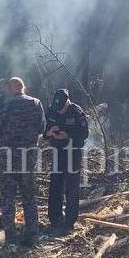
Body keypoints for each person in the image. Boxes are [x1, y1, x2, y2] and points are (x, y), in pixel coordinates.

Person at [0, 77, 45, 247]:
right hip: (28, 156)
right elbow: (42, 128)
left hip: (8, 157)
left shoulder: (5, 106)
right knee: (29, 195)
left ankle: (11, 237)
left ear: (11, 88)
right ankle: (32, 235)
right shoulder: (36, 103)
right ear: (24, 87)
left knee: (8, 196)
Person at [44, 88, 89, 233]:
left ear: (67, 101)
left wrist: (67, 135)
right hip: (57, 152)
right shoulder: (51, 110)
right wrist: (49, 133)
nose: (60, 110)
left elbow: (84, 133)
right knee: (55, 186)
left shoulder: (77, 112)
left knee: (71, 188)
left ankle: (70, 222)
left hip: (73, 153)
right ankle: (55, 219)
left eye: (62, 107)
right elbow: (43, 131)